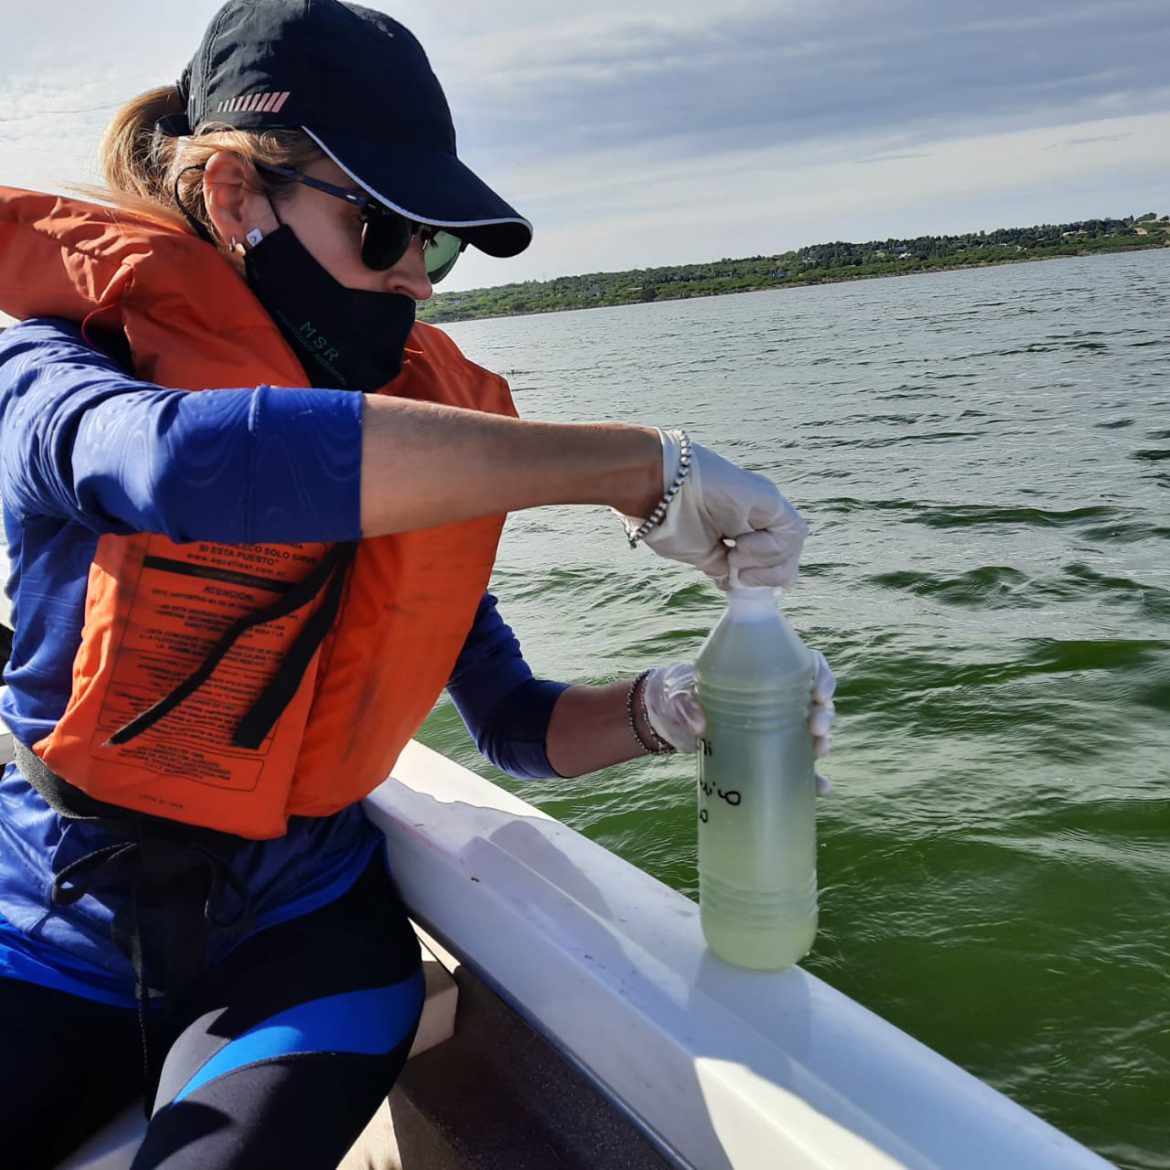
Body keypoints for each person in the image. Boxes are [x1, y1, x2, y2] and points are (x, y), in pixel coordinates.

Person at [0, 2, 835, 1167]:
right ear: (236, 196)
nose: (418, 284)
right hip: (42, 940)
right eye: (386, 230)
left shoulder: (420, 448)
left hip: (304, 950)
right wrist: (637, 467)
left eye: (435, 248)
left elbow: (515, 724)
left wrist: (671, 709)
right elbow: (178, 464)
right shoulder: (59, 369)